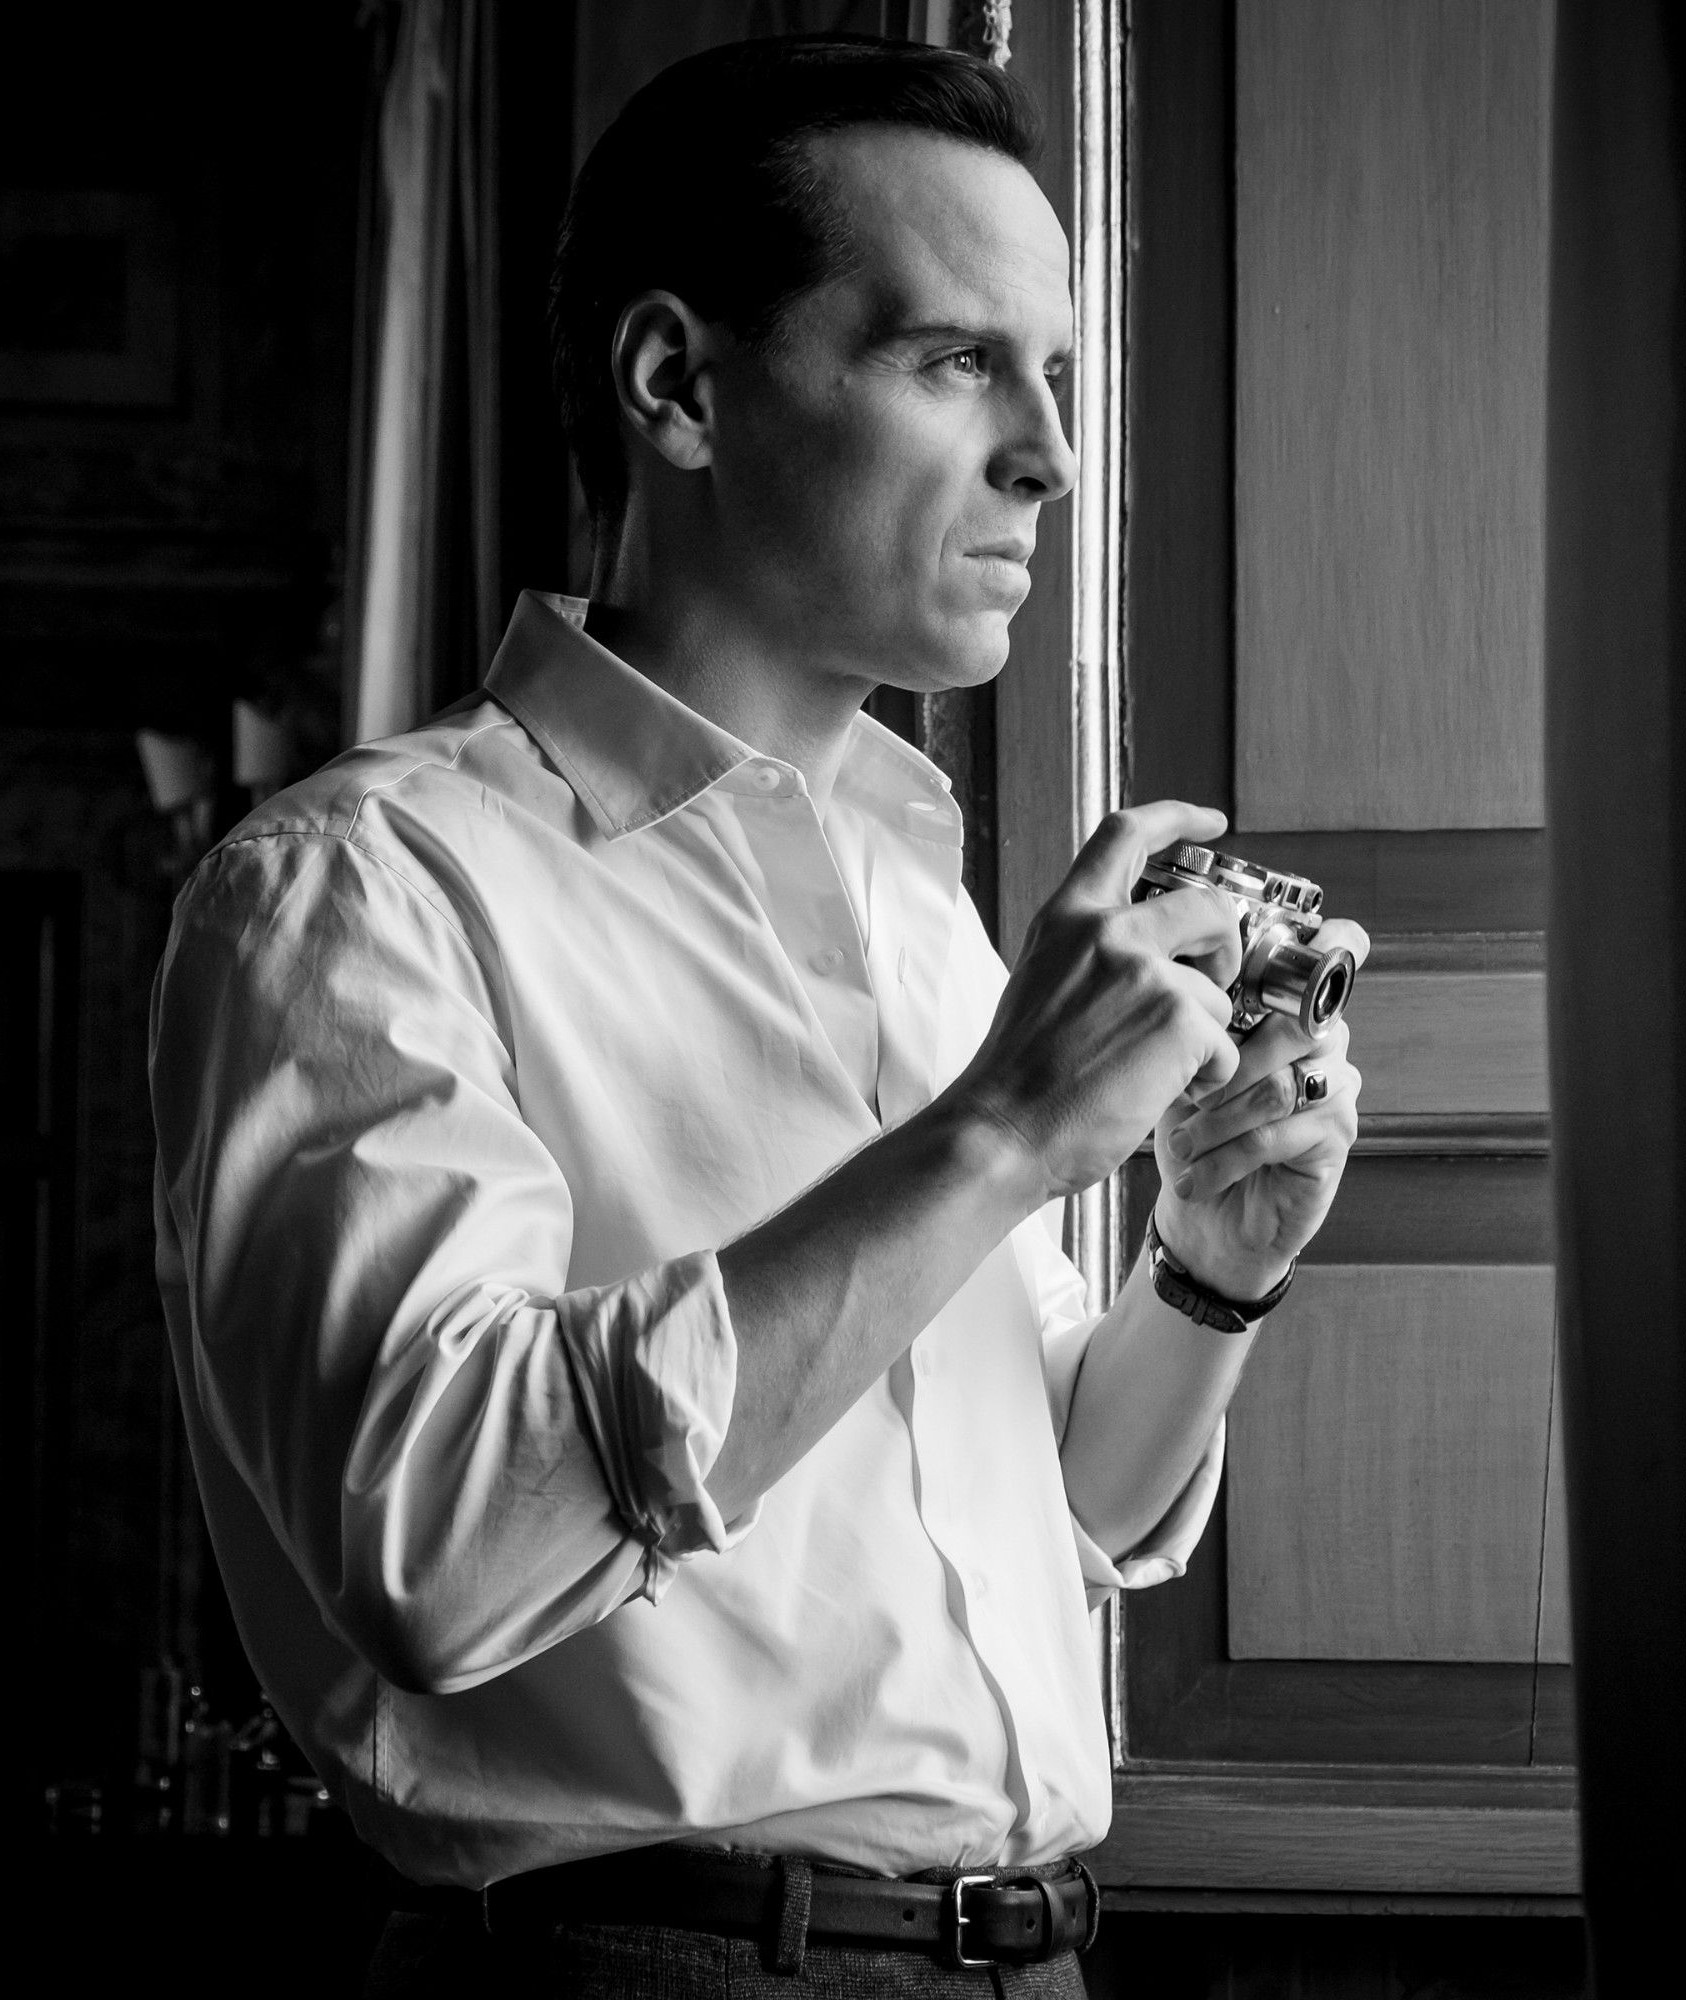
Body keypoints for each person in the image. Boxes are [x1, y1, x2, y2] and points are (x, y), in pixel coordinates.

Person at [148, 35, 1366, 1997]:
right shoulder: (361, 888)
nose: (1050, 455)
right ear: (678, 387)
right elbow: (441, 1549)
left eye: (1055, 374)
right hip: (652, 1965)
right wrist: (997, 1139)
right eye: (956, 360)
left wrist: (1209, 1270)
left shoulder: (918, 903)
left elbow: (1058, 1496)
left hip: (1035, 1963)